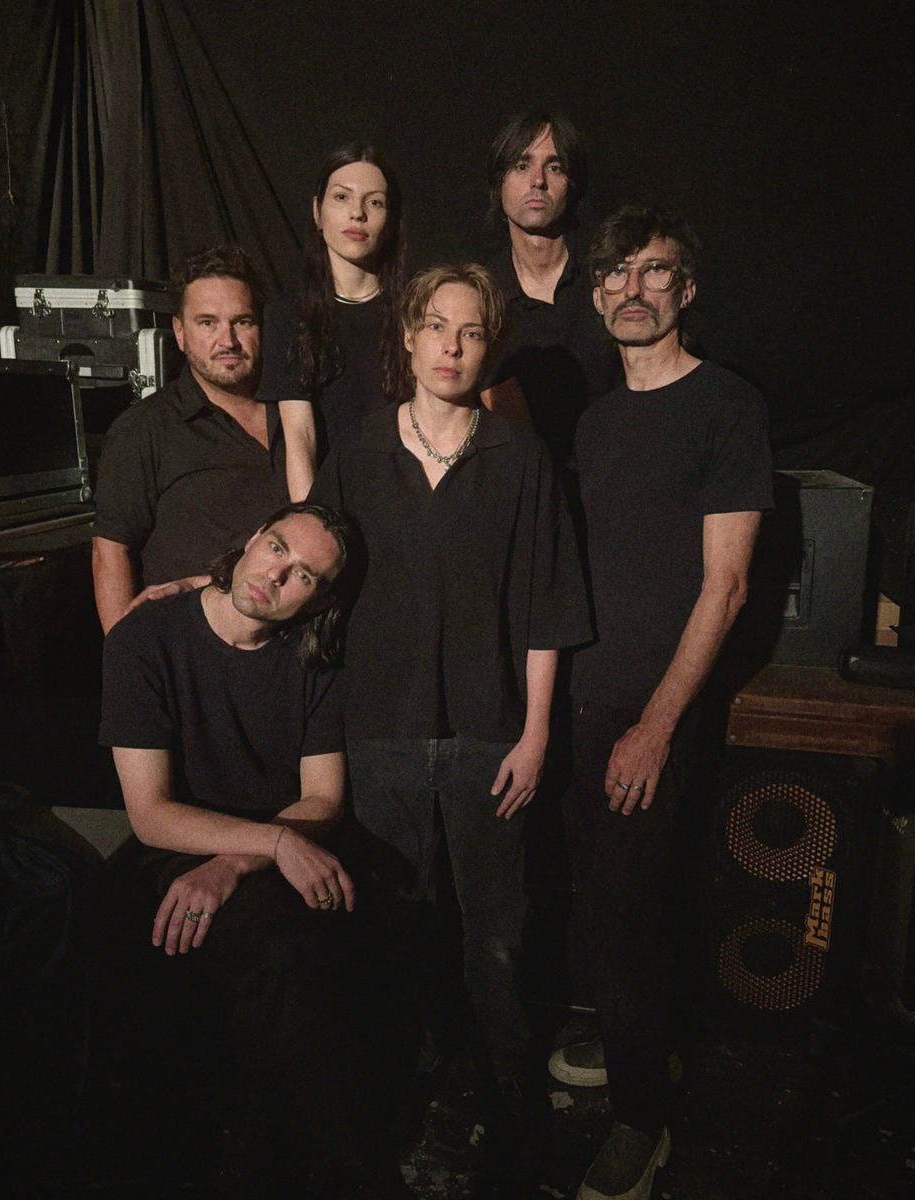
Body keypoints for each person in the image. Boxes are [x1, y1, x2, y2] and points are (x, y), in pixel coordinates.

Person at [310, 263, 590, 1187]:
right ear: (407, 336)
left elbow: (548, 608)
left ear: (489, 345)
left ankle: (510, 1112)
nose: (451, 347)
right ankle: (400, 1099)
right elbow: (315, 588)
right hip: (378, 733)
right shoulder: (357, 451)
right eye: (436, 327)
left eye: (470, 332)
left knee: (494, 941)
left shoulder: (520, 459)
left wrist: (536, 735)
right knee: (395, 935)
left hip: (488, 737)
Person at [562, 207, 774, 1200]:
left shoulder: (726, 404)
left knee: (628, 915)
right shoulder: (597, 422)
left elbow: (725, 587)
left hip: (656, 709)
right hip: (583, 697)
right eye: (615, 272)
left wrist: (656, 725)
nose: (631, 288)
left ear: (686, 291)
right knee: (607, 904)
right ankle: (637, 1047)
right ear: (596, 292)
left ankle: (640, 1124)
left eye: (654, 271)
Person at [99, 502, 362, 1195]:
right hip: (183, 844)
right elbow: (150, 814)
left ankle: (316, 1164)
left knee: (286, 943)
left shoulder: (314, 655)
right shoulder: (145, 637)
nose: (276, 575)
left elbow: (323, 800)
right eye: (276, 548)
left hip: (277, 846)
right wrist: (267, 842)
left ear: (318, 599)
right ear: (249, 540)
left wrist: (239, 861)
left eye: (304, 574)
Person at [92, 245, 288, 634]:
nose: (228, 340)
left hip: (295, 642)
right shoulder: (144, 429)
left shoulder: (298, 413)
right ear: (180, 333)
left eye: (242, 321)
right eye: (207, 323)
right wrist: (125, 657)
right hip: (195, 647)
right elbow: (110, 552)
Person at [258, 143, 407, 501]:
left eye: (374, 202)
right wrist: (310, 521)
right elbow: (300, 439)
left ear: (390, 220)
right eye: (342, 197)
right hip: (331, 503)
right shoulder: (289, 313)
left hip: (408, 498)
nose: (357, 213)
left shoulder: (415, 309)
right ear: (317, 211)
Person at [481, 111, 617, 471]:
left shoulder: (610, 280)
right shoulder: (482, 297)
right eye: (522, 166)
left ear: (571, 184)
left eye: (554, 167)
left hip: (616, 475)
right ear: (499, 182)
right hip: (524, 483)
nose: (538, 181)